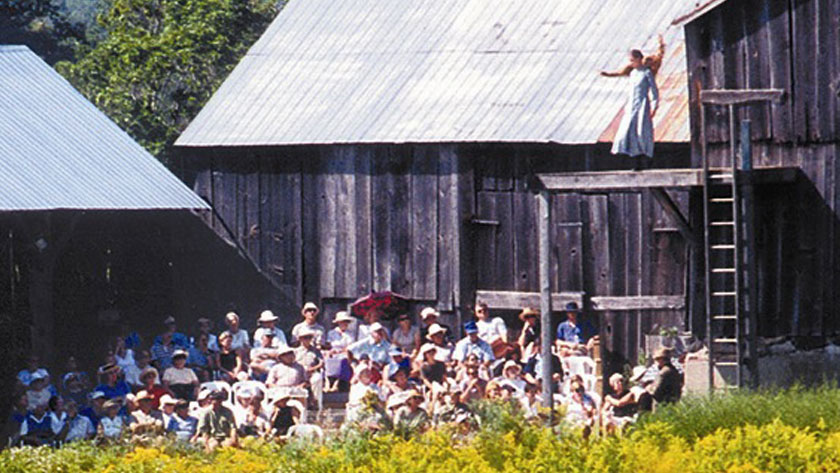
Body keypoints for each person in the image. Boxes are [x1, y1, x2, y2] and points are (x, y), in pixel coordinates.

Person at [601, 47, 660, 167]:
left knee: (641, 132)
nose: (631, 63)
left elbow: (654, 91)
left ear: (639, 59)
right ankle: (634, 159)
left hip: (642, 105)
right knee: (628, 131)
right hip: (632, 105)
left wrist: (654, 107)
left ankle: (646, 159)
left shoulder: (646, 73)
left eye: (633, 60)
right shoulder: (633, 73)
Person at [325, 311, 355, 392]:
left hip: (345, 354)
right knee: (327, 359)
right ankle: (328, 383)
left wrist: (341, 351)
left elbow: (351, 347)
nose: (344, 324)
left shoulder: (350, 334)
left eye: (346, 322)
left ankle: (338, 383)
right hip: (333, 353)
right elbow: (328, 345)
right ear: (338, 322)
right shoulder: (332, 333)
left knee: (344, 361)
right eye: (342, 322)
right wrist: (331, 350)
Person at [295, 327, 324, 405]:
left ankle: (316, 403)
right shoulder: (295, 351)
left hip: (312, 372)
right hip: (299, 373)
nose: (307, 339)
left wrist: (312, 369)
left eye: (309, 337)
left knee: (317, 378)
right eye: (305, 337)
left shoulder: (316, 351)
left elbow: (321, 363)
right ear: (300, 339)